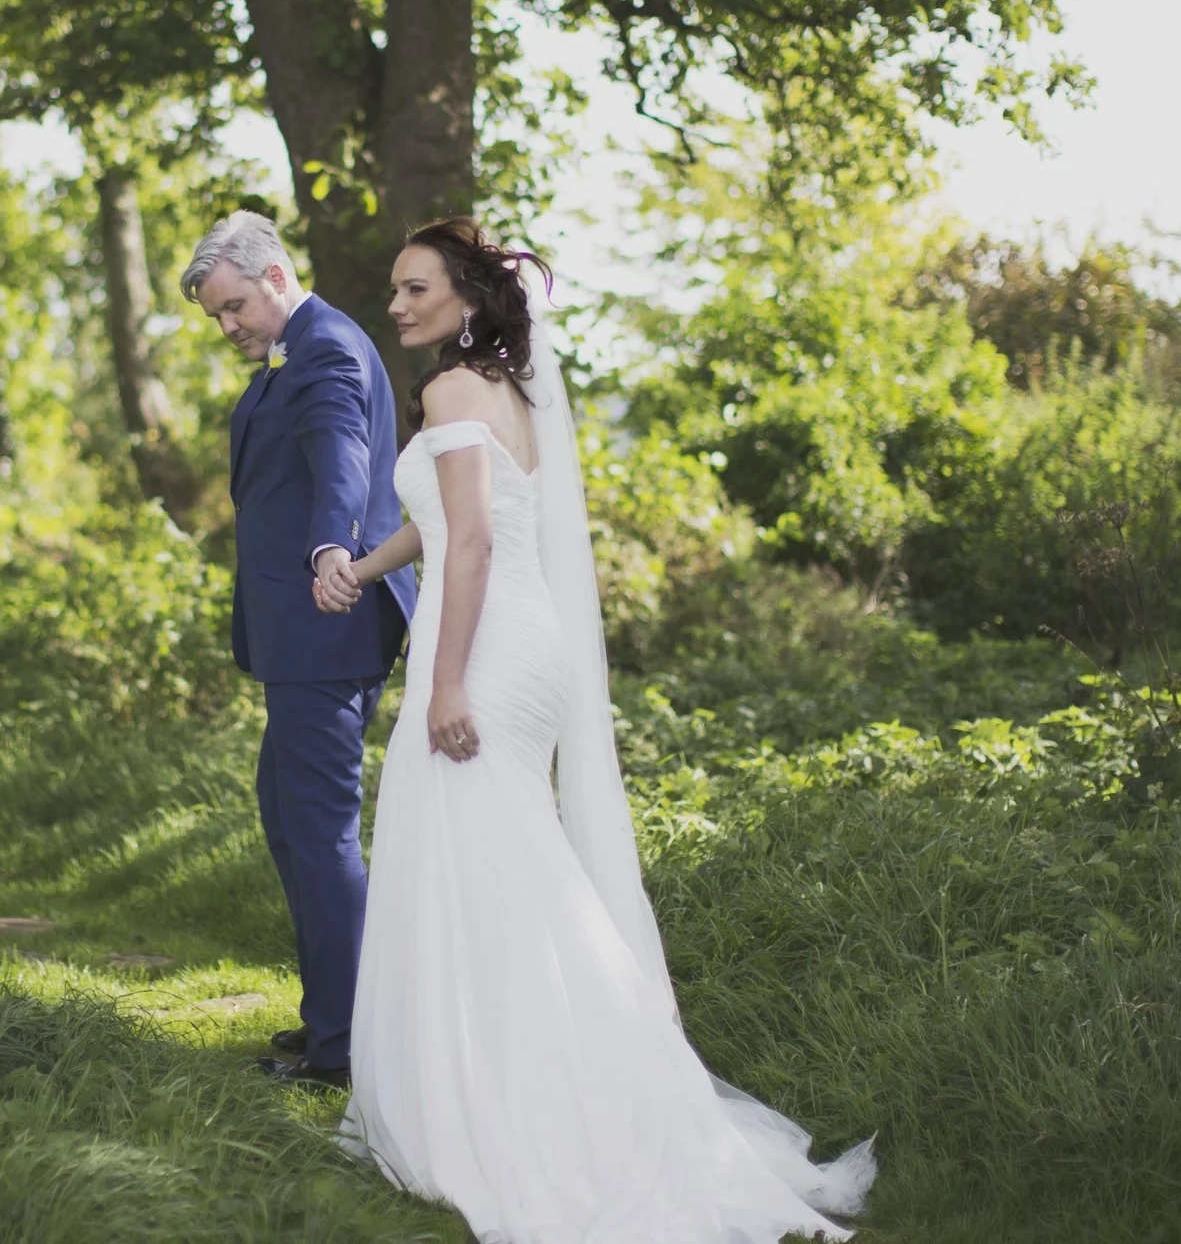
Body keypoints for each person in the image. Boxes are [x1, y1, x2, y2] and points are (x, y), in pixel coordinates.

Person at [314, 218, 876, 1242]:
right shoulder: (504, 391)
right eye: (393, 289)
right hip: (522, 640)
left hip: (479, 645)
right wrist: (362, 564)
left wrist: (443, 684)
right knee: (498, 861)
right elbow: (446, 521)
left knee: (484, 860)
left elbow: (474, 541)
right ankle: (534, 1071)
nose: (395, 304)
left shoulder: (446, 390)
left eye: (413, 288)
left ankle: (522, 1100)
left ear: (468, 296)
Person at [183, 211, 417, 1088]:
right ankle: (333, 1020)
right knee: (289, 816)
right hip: (302, 632)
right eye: (217, 316)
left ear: (275, 276)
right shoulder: (299, 343)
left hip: (331, 618)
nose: (230, 325)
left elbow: (342, 454)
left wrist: (334, 550)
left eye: (236, 305)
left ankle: (348, 1049)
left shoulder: (325, 348)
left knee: (318, 833)